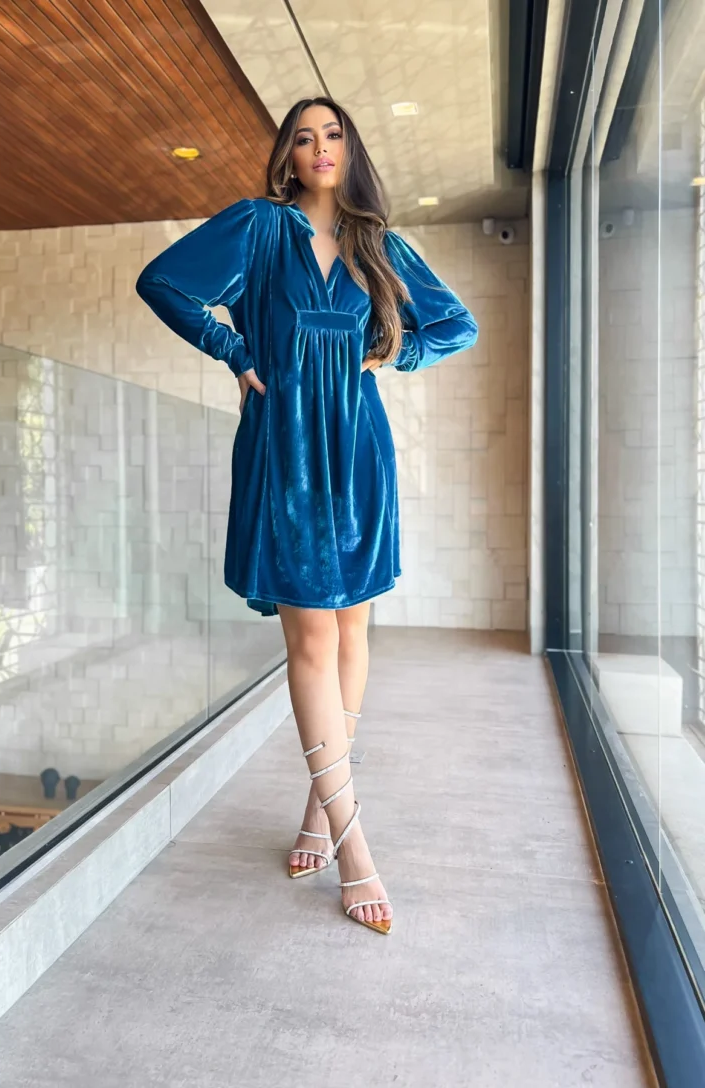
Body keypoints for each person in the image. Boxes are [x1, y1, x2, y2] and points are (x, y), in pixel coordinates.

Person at [136, 97, 478, 935]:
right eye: (303, 137)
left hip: (359, 455)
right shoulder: (259, 228)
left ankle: (321, 813)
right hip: (285, 452)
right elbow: (163, 283)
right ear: (286, 155)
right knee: (313, 640)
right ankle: (354, 846)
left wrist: (397, 350)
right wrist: (233, 351)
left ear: (350, 151)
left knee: (353, 632)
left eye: (332, 135)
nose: (319, 147)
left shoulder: (378, 245)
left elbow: (457, 326)